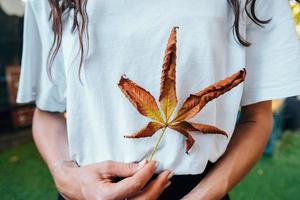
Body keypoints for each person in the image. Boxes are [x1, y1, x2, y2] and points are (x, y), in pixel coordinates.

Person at [16, 0, 300, 199]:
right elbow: (48, 111)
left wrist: (201, 197)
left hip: (198, 191)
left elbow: (257, 116)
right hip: (86, 191)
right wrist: (66, 176)